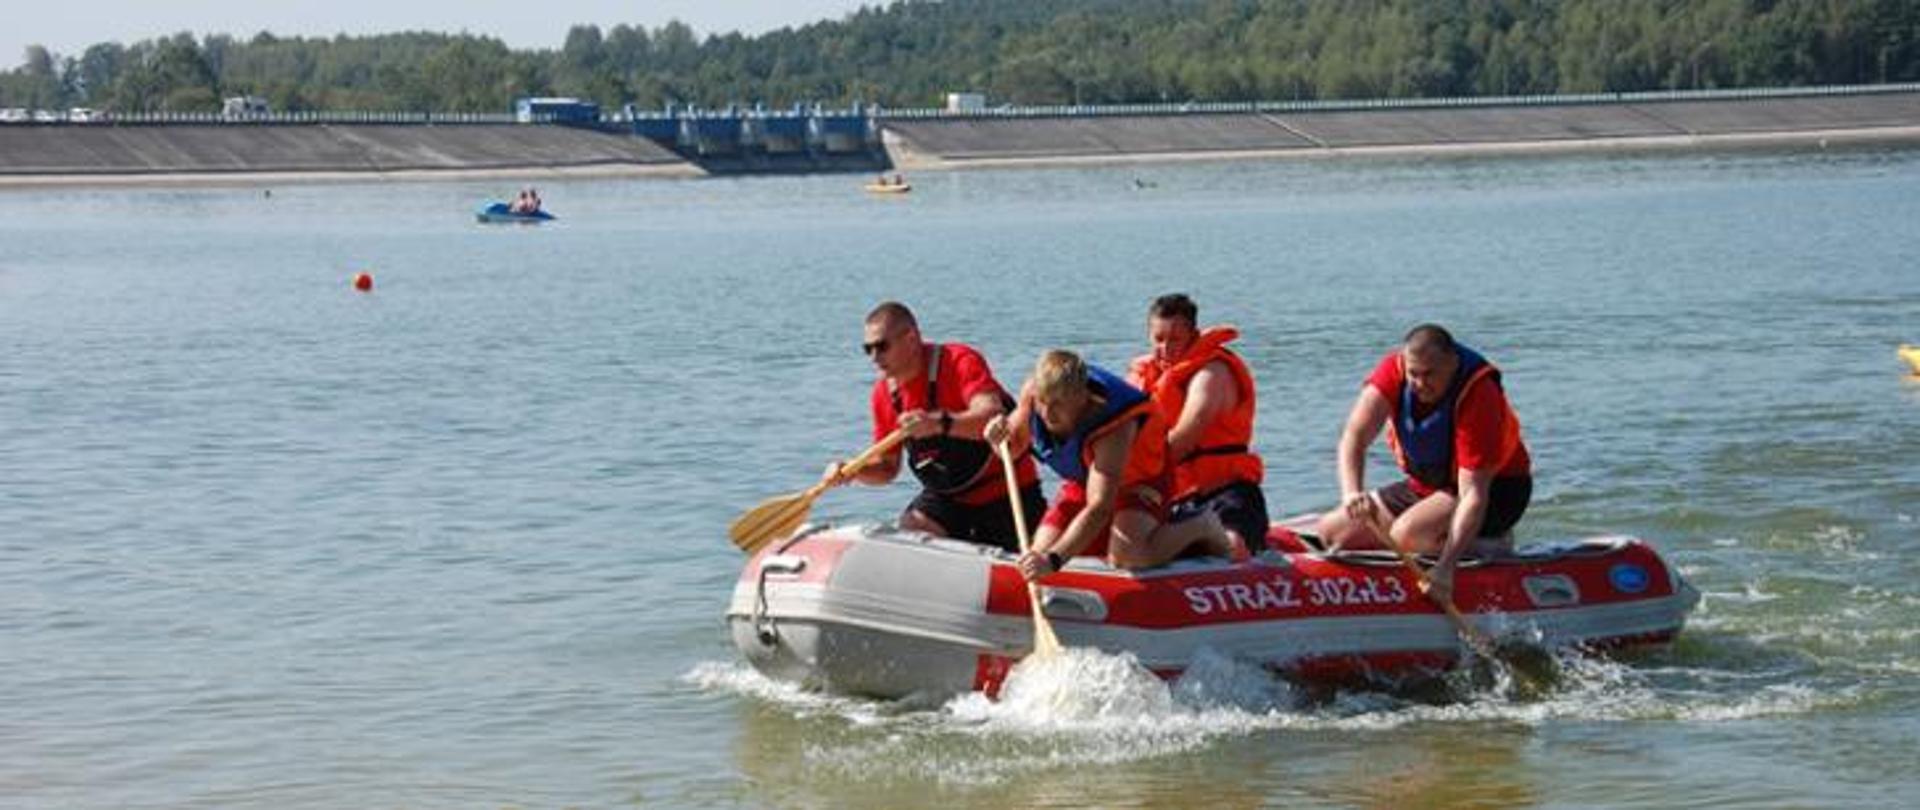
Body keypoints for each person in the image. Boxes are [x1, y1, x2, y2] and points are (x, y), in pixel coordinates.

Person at [1314, 324, 1533, 604]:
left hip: (1496, 490)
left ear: (1452, 364)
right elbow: (1354, 438)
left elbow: (1473, 495)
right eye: (1413, 374)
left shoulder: (1479, 394)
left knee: (1407, 535)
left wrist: (1446, 568)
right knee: (1334, 532)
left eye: (1430, 374)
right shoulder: (1392, 373)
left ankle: (1486, 546)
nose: (1419, 384)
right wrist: (1352, 492)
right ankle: (1424, 548)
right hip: (1430, 486)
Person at [985, 350, 1231, 582]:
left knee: (1128, 556)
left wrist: (1053, 560)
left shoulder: (1113, 428)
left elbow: (1100, 507)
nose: (1048, 413)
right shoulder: (1035, 394)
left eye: (1059, 403)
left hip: (1141, 481)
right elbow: (1011, 448)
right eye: (1043, 401)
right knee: (1037, 549)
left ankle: (1201, 524)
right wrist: (996, 437)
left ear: (1082, 397)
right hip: (1085, 479)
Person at [823, 302, 1044, 551]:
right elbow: (887, 468)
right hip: (947, 500)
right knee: (908, 533)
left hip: (1008, 491)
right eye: (868, 349)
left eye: (882, 346)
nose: (875, 357)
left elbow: (992, 414)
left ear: (911, 338)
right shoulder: (883, 395)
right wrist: (854, 470)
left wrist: (939, 424)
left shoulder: (958, 360)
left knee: (1036, 558)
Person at [1128, 294, 1267, 558]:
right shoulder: (1145, 376)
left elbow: (1185, 436)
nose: (1166, 348)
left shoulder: (1212, 374)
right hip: (1178, 499)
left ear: (1193, 335)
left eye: (1175, 340)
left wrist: (1135, 472)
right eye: (1158, 339)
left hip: (1228, 493)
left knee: (1233, 549)